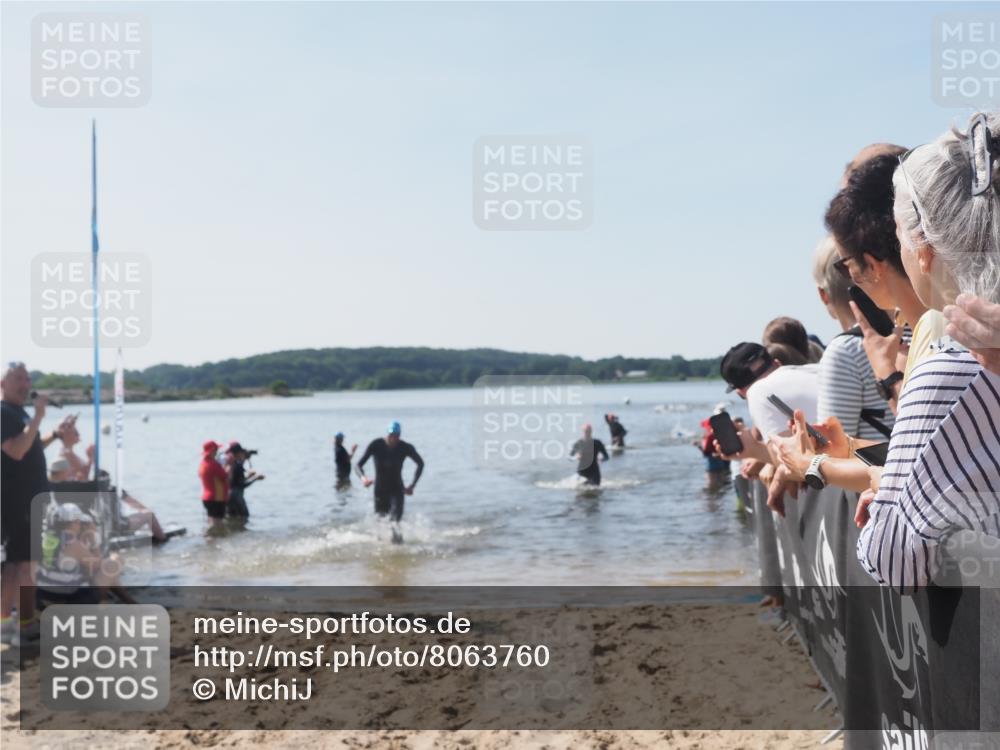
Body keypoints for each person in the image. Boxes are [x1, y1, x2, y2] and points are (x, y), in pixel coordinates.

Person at [855, 111, 1000, 590]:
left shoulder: (956, 366)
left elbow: (897, 563)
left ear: (923, 249)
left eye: (898, 235)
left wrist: (887, 497)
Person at [825, 149, 928, 412]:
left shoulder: (937, 338)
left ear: (870, 265)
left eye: (844, 265)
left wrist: (887, 373)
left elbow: (916, 450)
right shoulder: (962, 323)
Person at [1, 362, 72, 645]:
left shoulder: (18, 413)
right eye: (18, 378)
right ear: (3, 384)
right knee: (20, 564)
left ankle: (17, 620)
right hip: (17, 499)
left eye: (28, 378)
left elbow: (28, 445)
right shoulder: (4, 412)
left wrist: (54, 434)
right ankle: (12, 622)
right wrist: (39, 416)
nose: (26, 384)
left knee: (24, 562)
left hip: (30, 498)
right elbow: (16, 451)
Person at [356, 421, 425, 538]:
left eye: (396, 436)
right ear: (387, 434)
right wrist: (363, 479)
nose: (393, 439)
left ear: (399, 436)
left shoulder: (405, 447)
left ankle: (399, 550)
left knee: (395, 522)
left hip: (397, 490)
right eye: (390, 436)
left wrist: (412, 485)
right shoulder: (376, 445)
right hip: (380, 490)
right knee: (380, 523)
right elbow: (358, 465)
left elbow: (420, 463)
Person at [224, 441, 265, 520]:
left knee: (231, 518)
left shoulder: (231, 464)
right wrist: (255, 479)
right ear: (239, 453)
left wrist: (249, 477)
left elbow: (235, 481)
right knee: (244, 517)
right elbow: (242, 485)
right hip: (236, 496)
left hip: (228, 495)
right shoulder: (238, 466)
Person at [198, 440, 229, 527]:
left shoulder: (202, 464)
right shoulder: (213, 464)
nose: (217, 452)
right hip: (216, 498)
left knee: (211, 523)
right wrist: (227, 465)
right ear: (212, 451)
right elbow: (225, 476)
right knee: (218, 525)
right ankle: (218, 540)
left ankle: (210, 539)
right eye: (216, 450)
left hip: (207, 498)